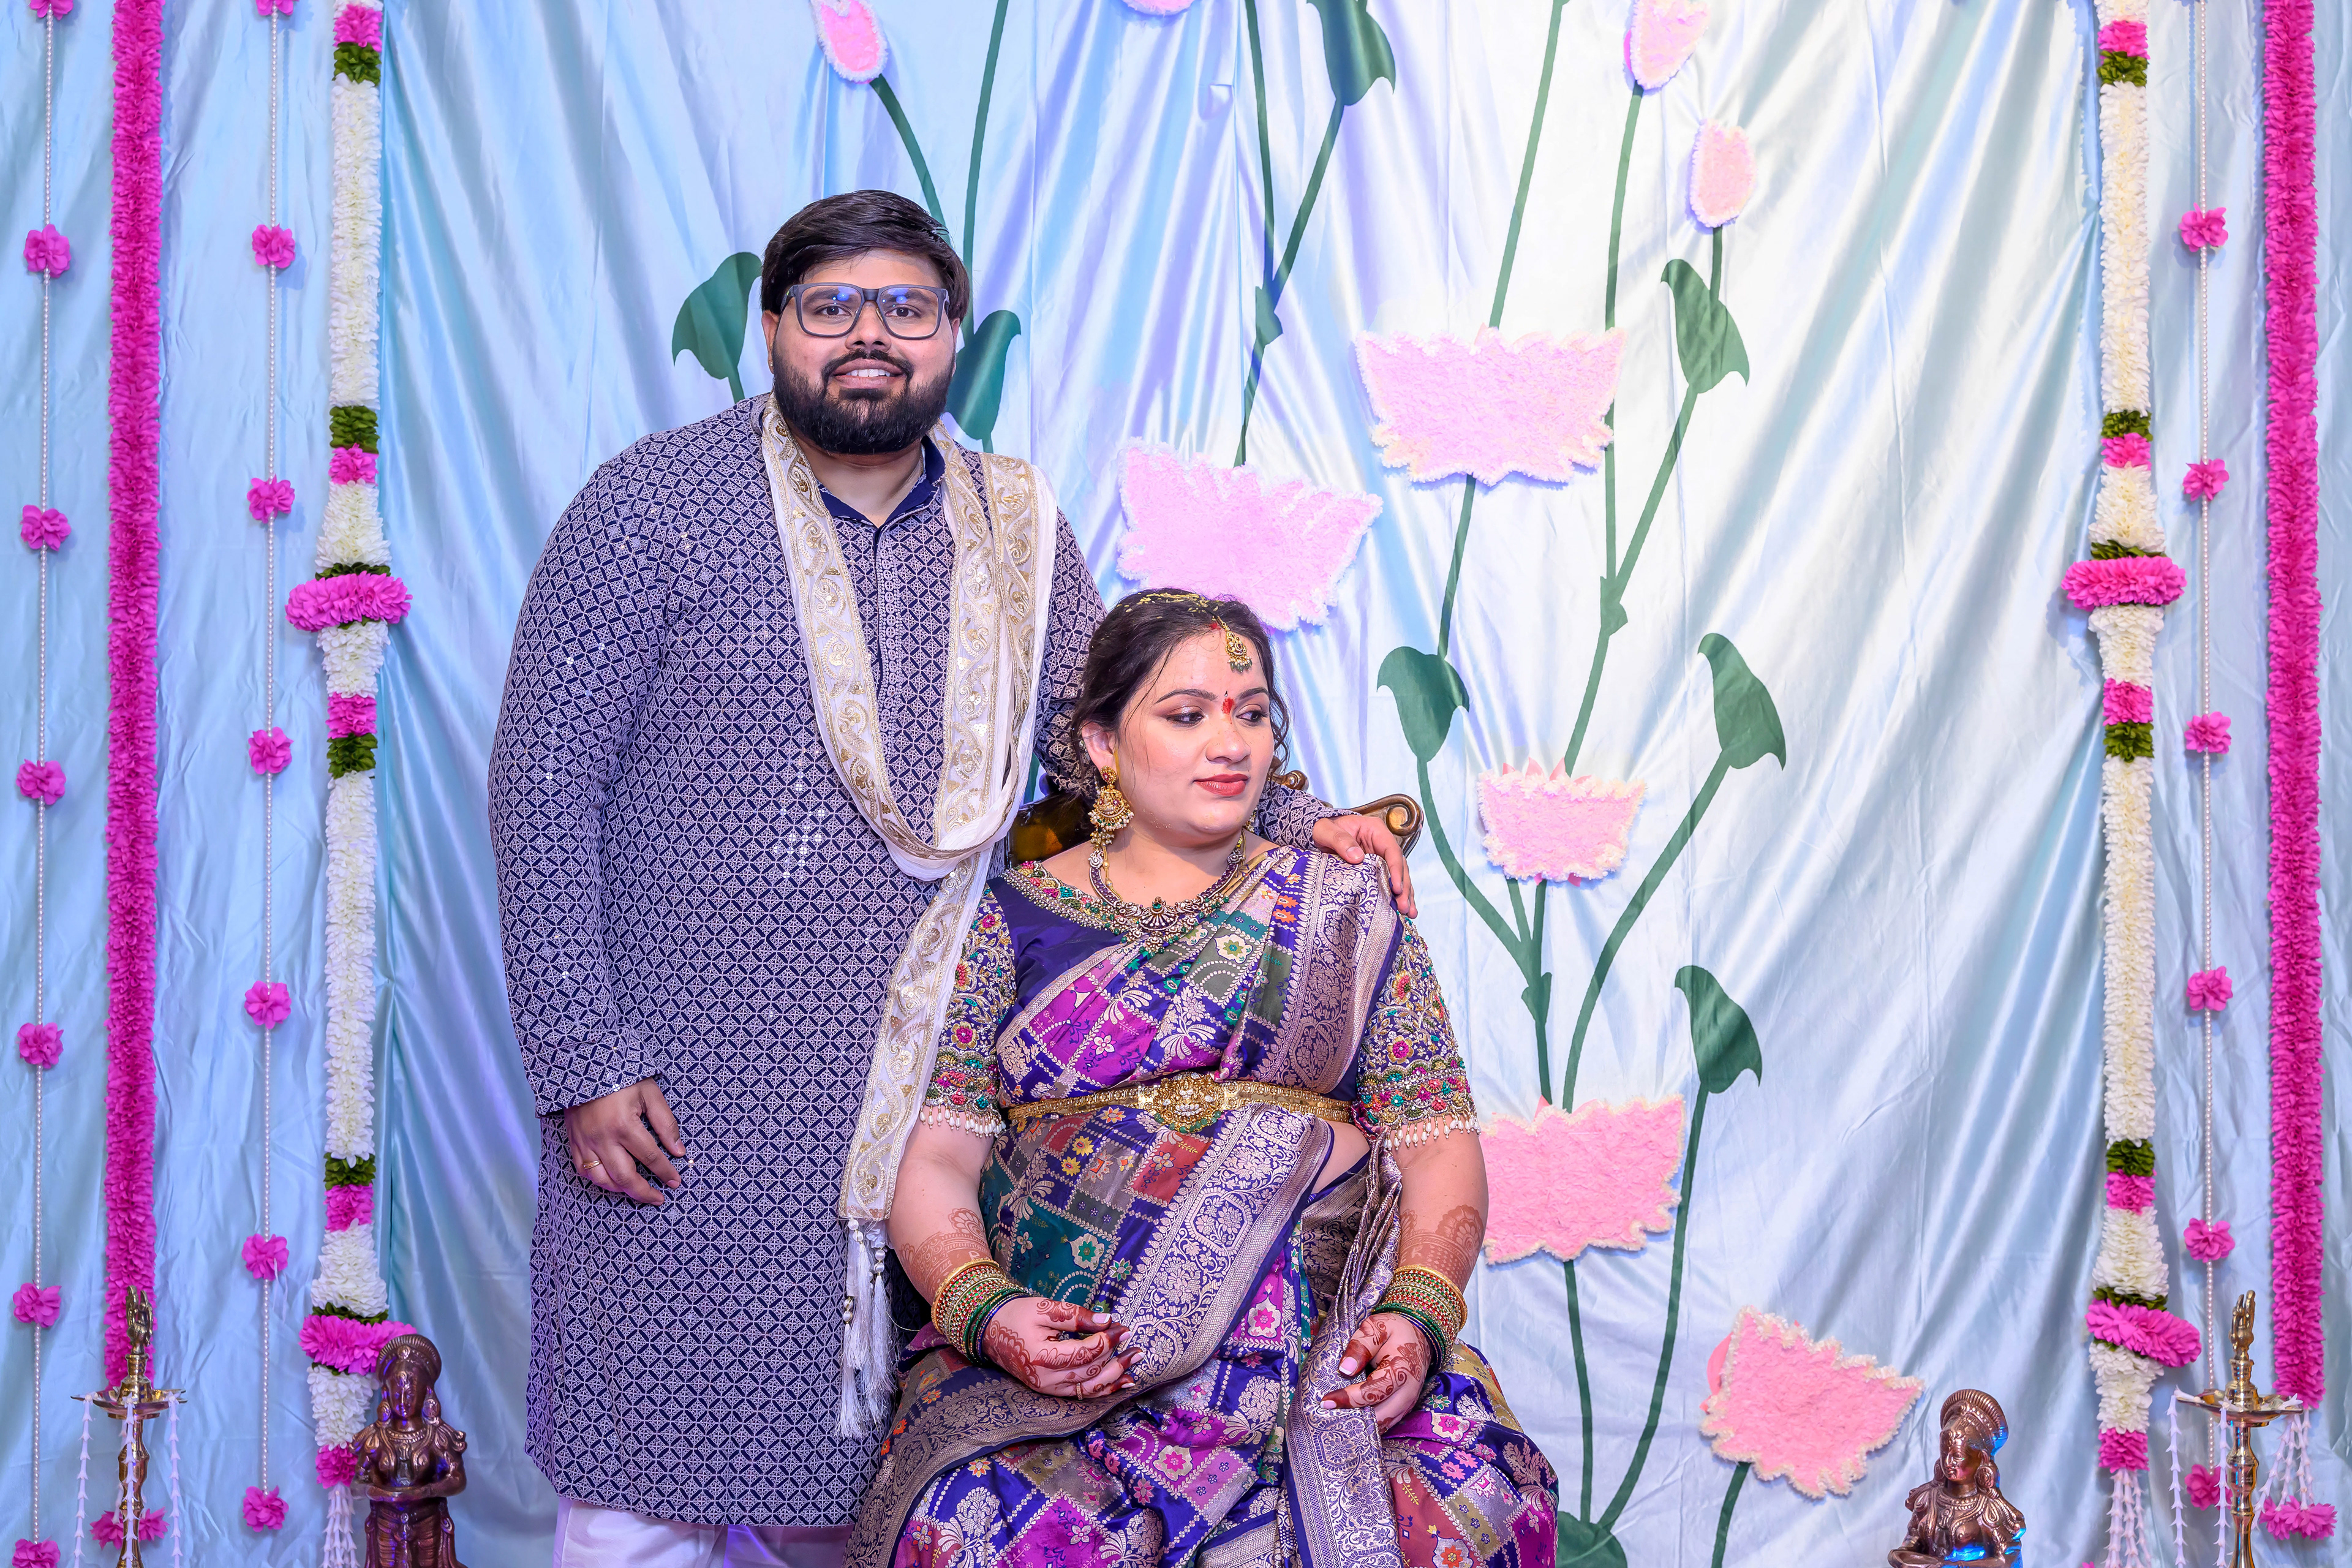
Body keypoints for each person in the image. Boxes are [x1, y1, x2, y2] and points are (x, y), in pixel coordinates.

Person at [488, 189, 1415, 1567]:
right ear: (774, 328)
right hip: (678, 1089)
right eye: (832, 306)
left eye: (907, 308)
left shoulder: (1015, 529)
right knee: (644, 1492)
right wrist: (583, 1054)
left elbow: (1108, 733)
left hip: (931, 1089)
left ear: (952, 338)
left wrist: (1299, 815)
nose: (870, 335)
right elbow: (542, 782)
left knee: (883, 1497)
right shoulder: (652, 508)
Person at [851, 591, 1557, 1568]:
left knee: (1474, 1493)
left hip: (1315, 1354)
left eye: (1253, 714)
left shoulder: (1346, 907)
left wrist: (1417, 1315)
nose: (1231, 744)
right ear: (1102, 745)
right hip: (1073, 1366)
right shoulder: (1003, 919)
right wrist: (988, 1310)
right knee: (987, 1525)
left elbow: (1435, 1139)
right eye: (1186, 716)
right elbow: (935, 1156)